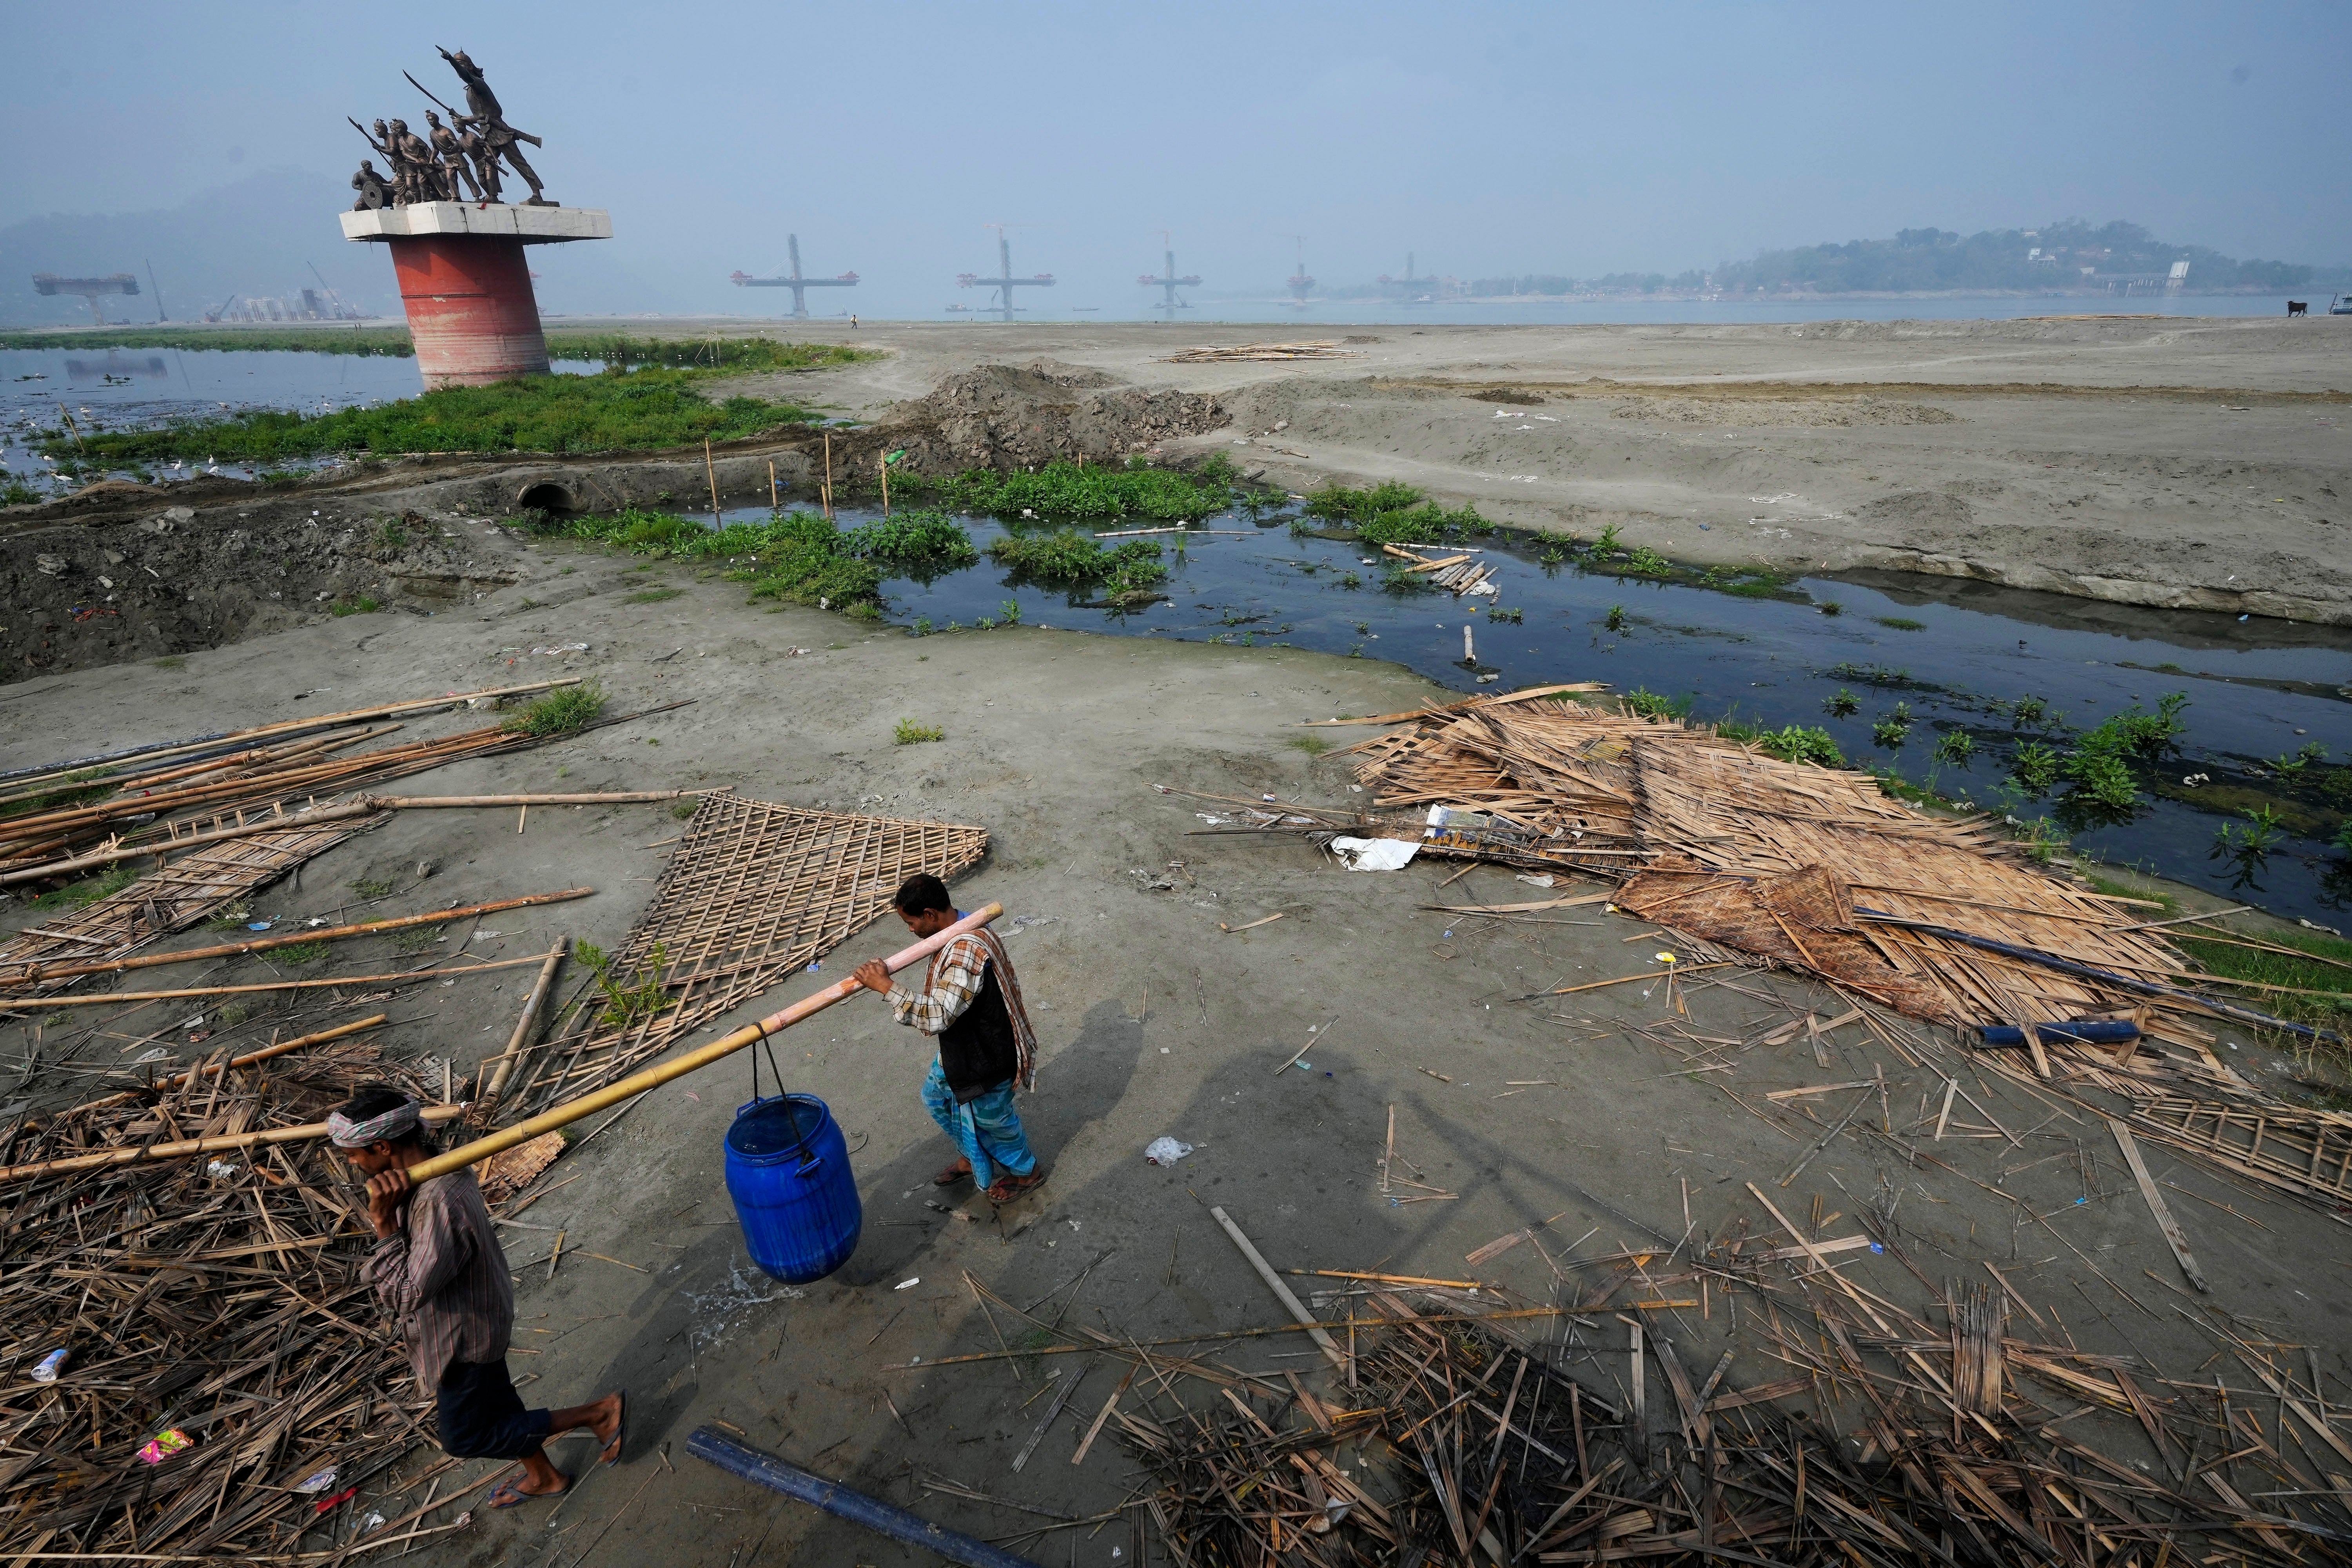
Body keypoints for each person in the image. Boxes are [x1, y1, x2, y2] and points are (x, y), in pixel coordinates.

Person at [336, 1084, 625, 1508]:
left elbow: (407, 1293)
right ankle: (544, 1475)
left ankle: (597, 1413)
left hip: (463, 1338)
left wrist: (382, 1225)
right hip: (471, 1321)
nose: (352, 1163)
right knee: (498, 1406)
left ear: (381, 1146)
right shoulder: (426, 1177)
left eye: (353, 1154)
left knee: (466, 1436)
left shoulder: (438, 1200)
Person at [854, 875, 1045, 1203]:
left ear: (930, 914)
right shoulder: (955, 926)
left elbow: (939, 1015)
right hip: (962, 1048)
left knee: (994, 1121)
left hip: (988, 1056)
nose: (910, 931)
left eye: (911, 923)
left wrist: (886, 987)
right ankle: (973, 1157)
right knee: (936, 1098)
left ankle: (1027, 1172)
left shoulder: (965, 951)